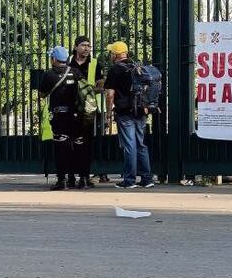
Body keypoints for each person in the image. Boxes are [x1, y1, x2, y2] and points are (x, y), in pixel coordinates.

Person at [102, 41, 153, 189]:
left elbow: (110, 94)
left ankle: (129, 180)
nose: (110, 55)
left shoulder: (115, 70)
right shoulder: (137, 67)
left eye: (111, 53)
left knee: (129, 145)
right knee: (141, 144)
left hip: (124, 112)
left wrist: (108, 112)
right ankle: (147, 178)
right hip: (140, 111)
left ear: (116, 55)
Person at [39, 46, 90, 191]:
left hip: (60, 115)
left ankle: (63, 180)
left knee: (61, 147)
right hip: (78, 115)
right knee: (80, 146)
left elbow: (42, 94)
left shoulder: (49, 75)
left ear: (54, 59)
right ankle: (84, 179)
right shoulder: (76, 72)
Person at [68, 35, 107, 184]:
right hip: (70, 106)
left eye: (88, 46)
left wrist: (86, 91)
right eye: (83, 45)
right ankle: (70, 175)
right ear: (76, 47)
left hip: (89, 108)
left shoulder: (95, 64)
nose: (86, 48)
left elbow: (100, 85)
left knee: (86, 142)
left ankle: (84, 176)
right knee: (69, 142)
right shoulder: (68, 63)